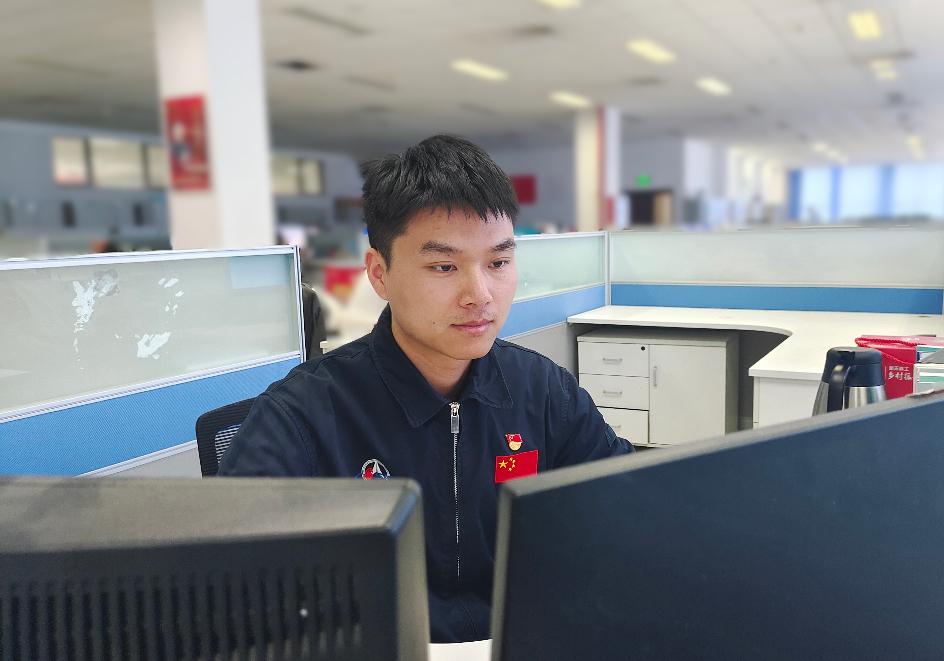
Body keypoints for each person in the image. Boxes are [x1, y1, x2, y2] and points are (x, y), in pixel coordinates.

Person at [218, 135, 632, 642]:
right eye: (444, 266)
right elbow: (238, 591)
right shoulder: (301, 416)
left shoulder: (544, 392)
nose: (479, 295)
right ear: (380, 274)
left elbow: (624, 510)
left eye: (498, 263)